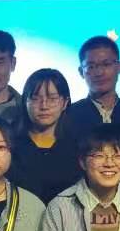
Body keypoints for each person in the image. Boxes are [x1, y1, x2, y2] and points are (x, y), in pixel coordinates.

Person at [8, 68, 79, 205]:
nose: (44, 106)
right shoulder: (9, 144)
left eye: (52, 99)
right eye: (35, 98)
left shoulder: (77, 146)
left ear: (65, 103)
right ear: (25, 102)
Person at [60, 35, 120, 137]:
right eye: (91, 66)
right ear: (81, 72)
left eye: (106, 64)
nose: (99, 72)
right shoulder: (67, 116)